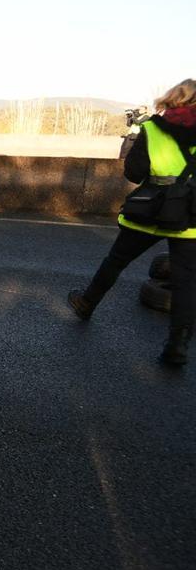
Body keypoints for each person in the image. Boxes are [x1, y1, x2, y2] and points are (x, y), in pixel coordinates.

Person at [69, 79, 196, 367]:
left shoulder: (151, 128)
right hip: (190, 218)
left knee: (116, 260)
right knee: (186, 282)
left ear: (173, 98)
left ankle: (86, 304)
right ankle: (177, 346)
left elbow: (134, 174)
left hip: (150, 213)